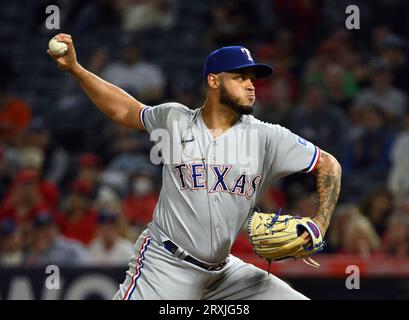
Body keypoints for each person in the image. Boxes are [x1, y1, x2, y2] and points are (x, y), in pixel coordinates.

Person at [48, 34, 342, 300]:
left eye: (252, 78)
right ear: (214, 81)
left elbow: (329, 164)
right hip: (166, 265)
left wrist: (320, 222)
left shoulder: (267, 136)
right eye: (240, 77)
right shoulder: (175, 119)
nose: (251, 85)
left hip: (223, 273)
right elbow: (125, 109)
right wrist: (76, 69)